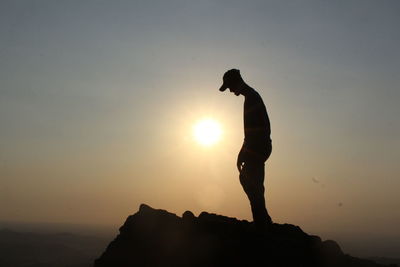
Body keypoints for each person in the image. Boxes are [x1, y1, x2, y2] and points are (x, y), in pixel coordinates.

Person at [219, 69, 273, 229]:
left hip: (258, 146)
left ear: (236, 82)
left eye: (229, 86)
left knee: (250, 182)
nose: (229, 90)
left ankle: (262, 224)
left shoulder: (251, 99)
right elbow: (253, 131)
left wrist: (246, 152)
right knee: (253, 183)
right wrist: (244, 152)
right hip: (259, 146)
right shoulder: (251, 97)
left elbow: (255, 131)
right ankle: (263, 221)